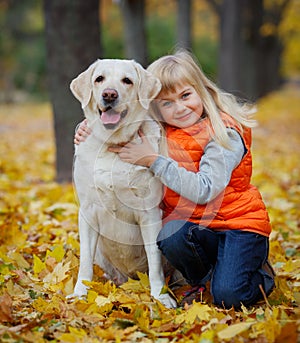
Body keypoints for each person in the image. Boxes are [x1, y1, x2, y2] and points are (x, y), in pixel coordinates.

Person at [74, 50, 275, 309]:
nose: (178, 108)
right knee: (170, 235)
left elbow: (205, 189)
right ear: (155, 107)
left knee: (229, 296)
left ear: (201, 90)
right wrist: (88, 125)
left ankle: (258, 275)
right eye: (167, 103)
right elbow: (123, 114)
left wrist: (151, 160)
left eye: (185, 96)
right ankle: (208, 277)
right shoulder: (164, 130)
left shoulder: (225, 134)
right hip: (199, 227)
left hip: (238, 227)